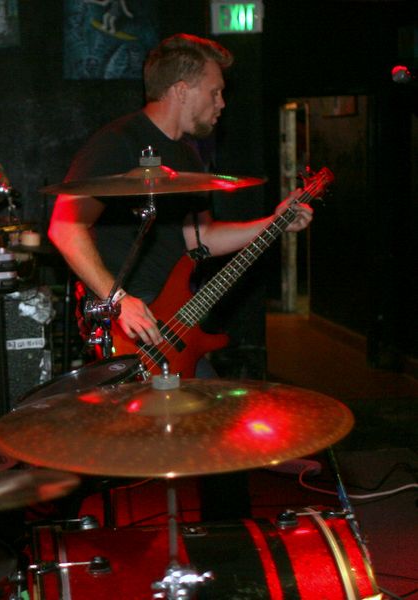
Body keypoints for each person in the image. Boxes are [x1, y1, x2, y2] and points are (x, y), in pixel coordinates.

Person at [48, 33, 313, 519]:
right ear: (182, 90)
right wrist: (119, 299)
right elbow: (64, 227)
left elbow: (200, 239)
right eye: (215, 91)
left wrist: (272, 222)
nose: (222, 103)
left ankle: (228, 544)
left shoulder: (188, 157)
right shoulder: (117, 143)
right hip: (132, 323)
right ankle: (55, 533)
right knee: (111, 451)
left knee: (219, 439)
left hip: (177, 322)